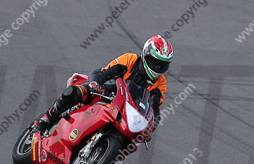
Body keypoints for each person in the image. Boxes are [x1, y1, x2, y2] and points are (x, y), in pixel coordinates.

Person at [34, 35, 173, 134]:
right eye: (155, 62)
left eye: (162, 65)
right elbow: (103, 73)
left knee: (131, 141)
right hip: (108, 93)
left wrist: (150, 128)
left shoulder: (160, 84)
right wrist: (95, 84)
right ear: (145, 55)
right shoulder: (130, 59)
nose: (158, 67)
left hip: (128, 111)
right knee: (78, 92)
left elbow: (155, 110)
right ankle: (48, 118)